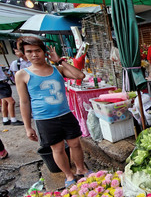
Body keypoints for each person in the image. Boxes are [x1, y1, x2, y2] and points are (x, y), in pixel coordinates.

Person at [15, 36, 89, 188]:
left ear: (44, 52)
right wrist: (28, 127)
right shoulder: (22, 74)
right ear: (24, 54)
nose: (34, 54)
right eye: (29, 51)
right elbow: (24, 101)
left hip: (65, 114)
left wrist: (60, 60)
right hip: (45, 119)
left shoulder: (57, 69)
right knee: (58, 148)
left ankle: (81, 169)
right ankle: (69, 174)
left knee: (75, 144)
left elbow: (80, 76)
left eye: (38, 51)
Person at [0, 62, 24, 126]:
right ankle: (13, 120)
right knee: (11, 102)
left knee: (4, 102)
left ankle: (5, 119)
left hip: (3, 83)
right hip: (1, 85)